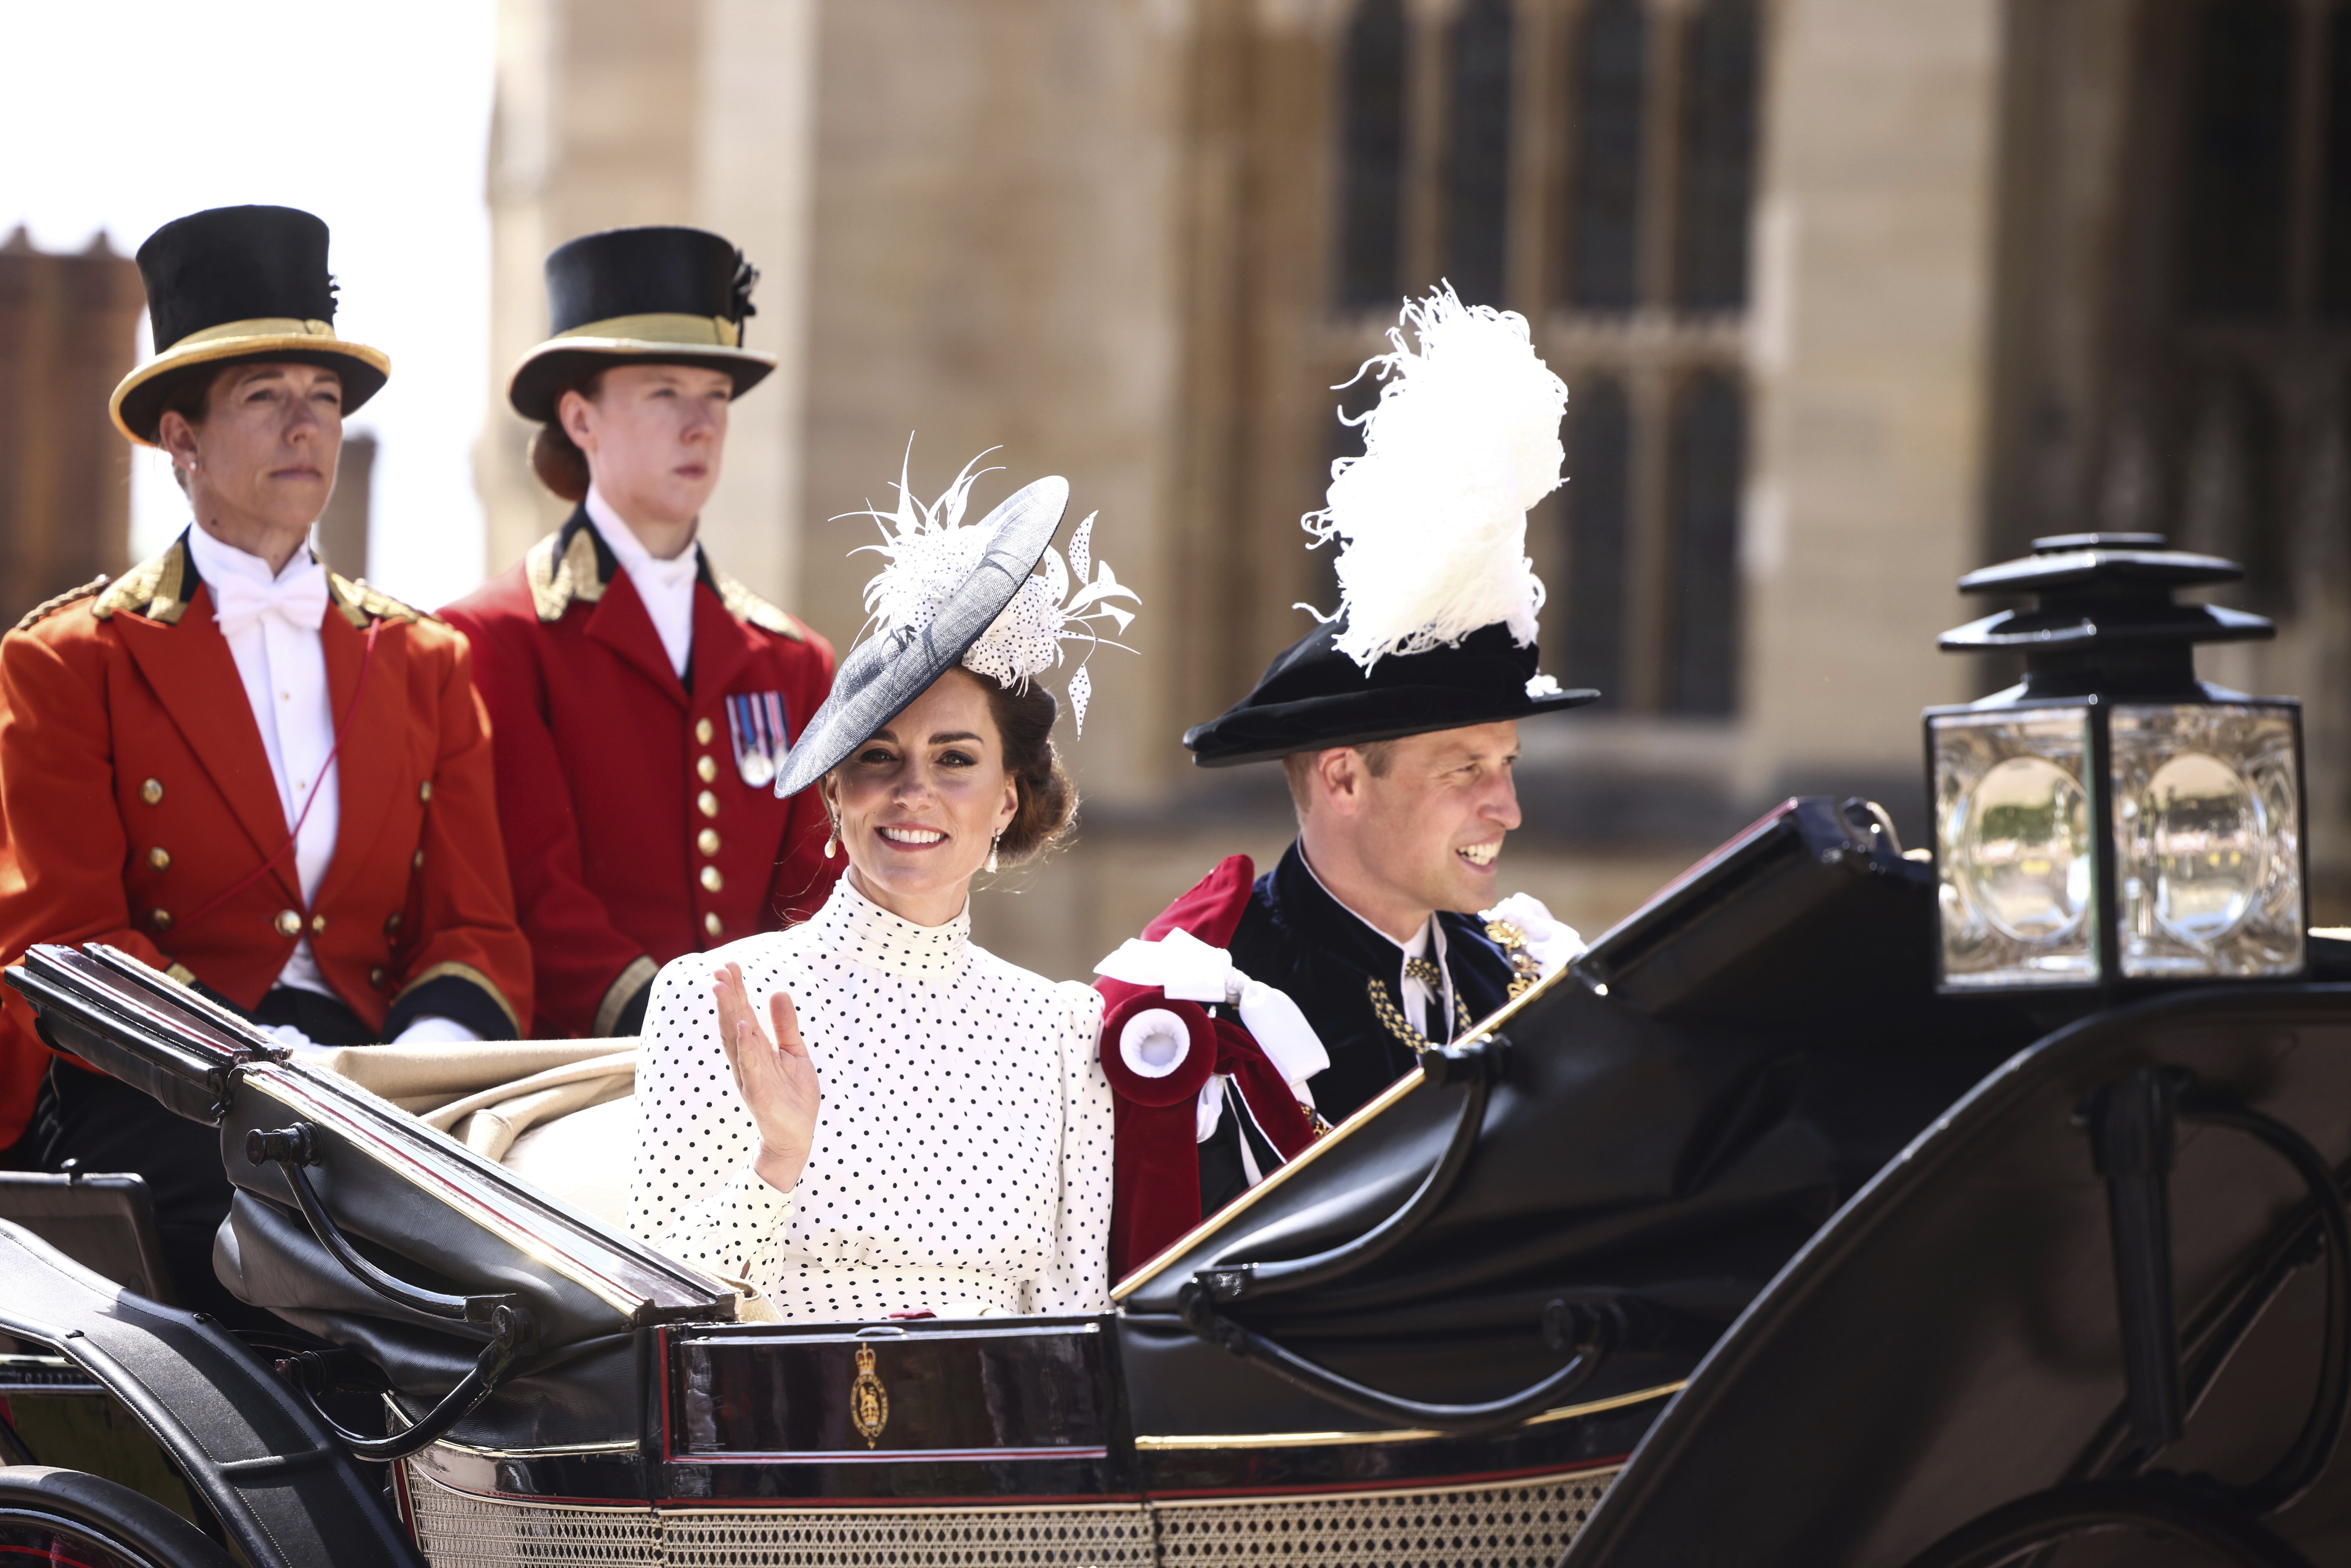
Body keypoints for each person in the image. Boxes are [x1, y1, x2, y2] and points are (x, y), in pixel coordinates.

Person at [0, 205, 532, 1315]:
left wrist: (417, 1068)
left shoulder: (426, 660)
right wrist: (251, 1061)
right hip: (158, 1087)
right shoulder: (67, 660)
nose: (308, 429)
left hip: (383, 1081)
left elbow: (475, 925)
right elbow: (65, 939)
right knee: (267, 1229)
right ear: (180, 438)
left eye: (325, 401)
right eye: (266, 399)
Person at [1105, 286, 1592, 1261]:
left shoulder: (1516, 966)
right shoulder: (1219, 1009)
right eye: (1466, 768)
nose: (1508, 806)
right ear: (1341, 779)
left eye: (1507, 763)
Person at [625, 452, 1135, 1319]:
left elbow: (1072, 1314)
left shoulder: (1063, 1029)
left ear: (1008, 798)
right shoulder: (710, 998)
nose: (914, 792)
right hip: (788, 1441)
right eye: (877, 758)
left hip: (1000, 1448)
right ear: (835, 792)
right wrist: (777, 1159)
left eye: (956, 760)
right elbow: (649, 1306)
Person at [441, 226, 837, 1040]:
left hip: (779, 1074)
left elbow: (816, 893)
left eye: (717, 398)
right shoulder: (495, 638)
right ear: (580, 418)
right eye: (664, 392)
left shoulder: (793, 659)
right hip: (583, 1072)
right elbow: (534, 891)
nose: (701, 425)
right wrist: (681, 1029)